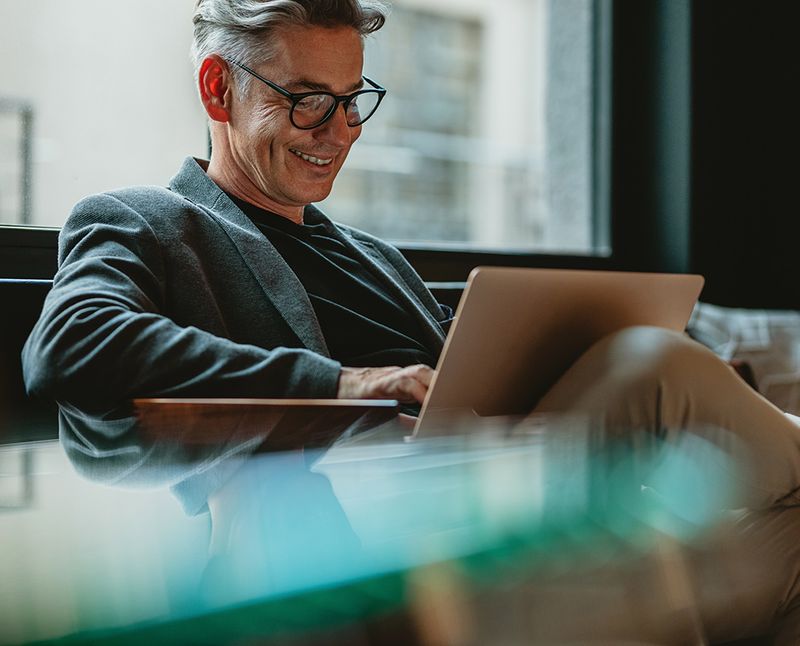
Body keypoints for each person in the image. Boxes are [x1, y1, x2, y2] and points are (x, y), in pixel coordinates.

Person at [20, 0, 800, 510]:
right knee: (651, 370)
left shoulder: (374, 257)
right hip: (362, 514)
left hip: (507, 488)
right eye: (307, 100)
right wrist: (347, 382)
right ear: (218, 90)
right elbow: (72, 345)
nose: (340, 130)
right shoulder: (144, 221)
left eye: (353, 98)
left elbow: (475, 362)